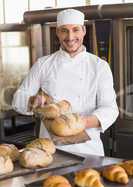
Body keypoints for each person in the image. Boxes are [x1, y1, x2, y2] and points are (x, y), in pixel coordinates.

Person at [12, 9, 119, 156]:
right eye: (64, 31)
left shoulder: (99, 66)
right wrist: (33, 101)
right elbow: (18, 99)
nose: (70, 37)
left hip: (88, 149)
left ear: (83, 31)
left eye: (75, 30)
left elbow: (110, 109)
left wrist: (78, 124)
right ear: (57, 33)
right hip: (48, 151)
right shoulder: (43, 64)